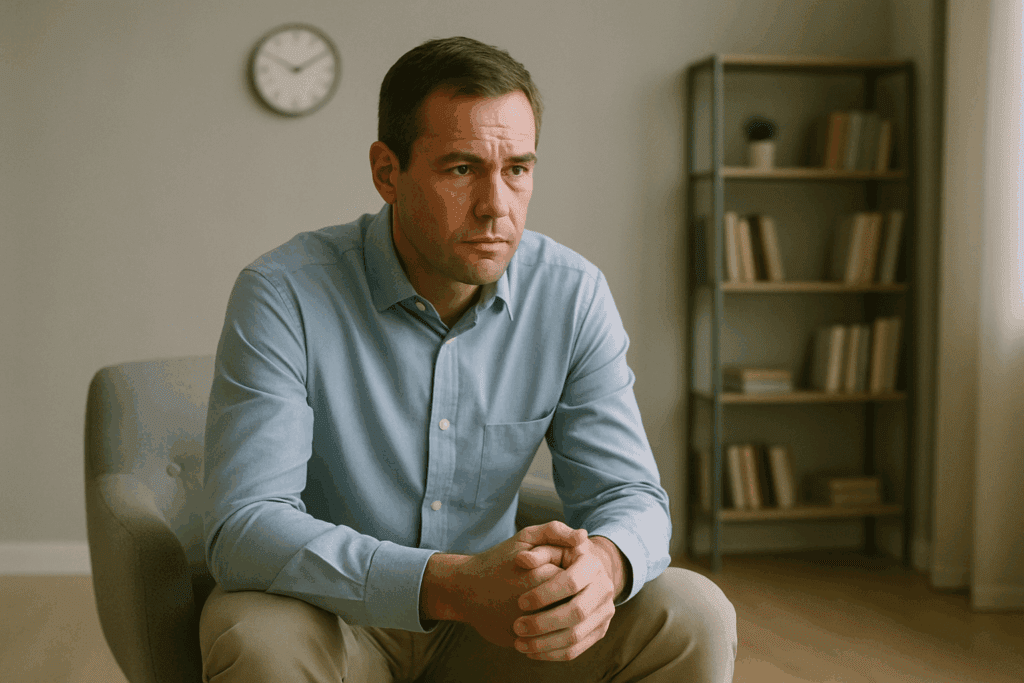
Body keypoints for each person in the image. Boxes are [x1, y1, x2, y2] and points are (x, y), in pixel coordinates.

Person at [200, 36, 737, 682]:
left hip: (501, 633)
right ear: (386, 172)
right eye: (461, 169)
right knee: (255, 634)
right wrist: (451, 584)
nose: (496, 206)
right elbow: (244, 526)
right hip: (334, 617)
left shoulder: (571, 293)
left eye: (517, 169)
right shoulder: (284, 292)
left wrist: (605, 563)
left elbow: (631, 495)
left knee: (693, 611)